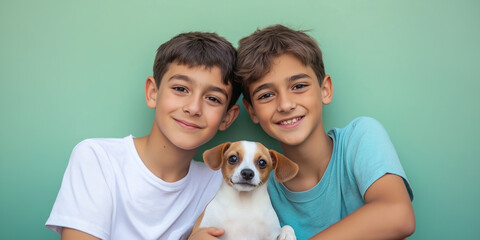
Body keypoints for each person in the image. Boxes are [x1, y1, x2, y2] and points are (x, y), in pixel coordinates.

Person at [45, 31, 241, 240]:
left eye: (212, 98)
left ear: (227, 118)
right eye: (181, 88)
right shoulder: (99, 159)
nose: (193, 108)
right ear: (152, 93)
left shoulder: (220, 182)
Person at [236, 24, 415, 240]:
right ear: (251, 111)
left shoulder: (359, 138)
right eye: (266, 95)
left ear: (325, 90)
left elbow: (398, 215)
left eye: (299, 86)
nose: (285, 105)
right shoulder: (258, 185)